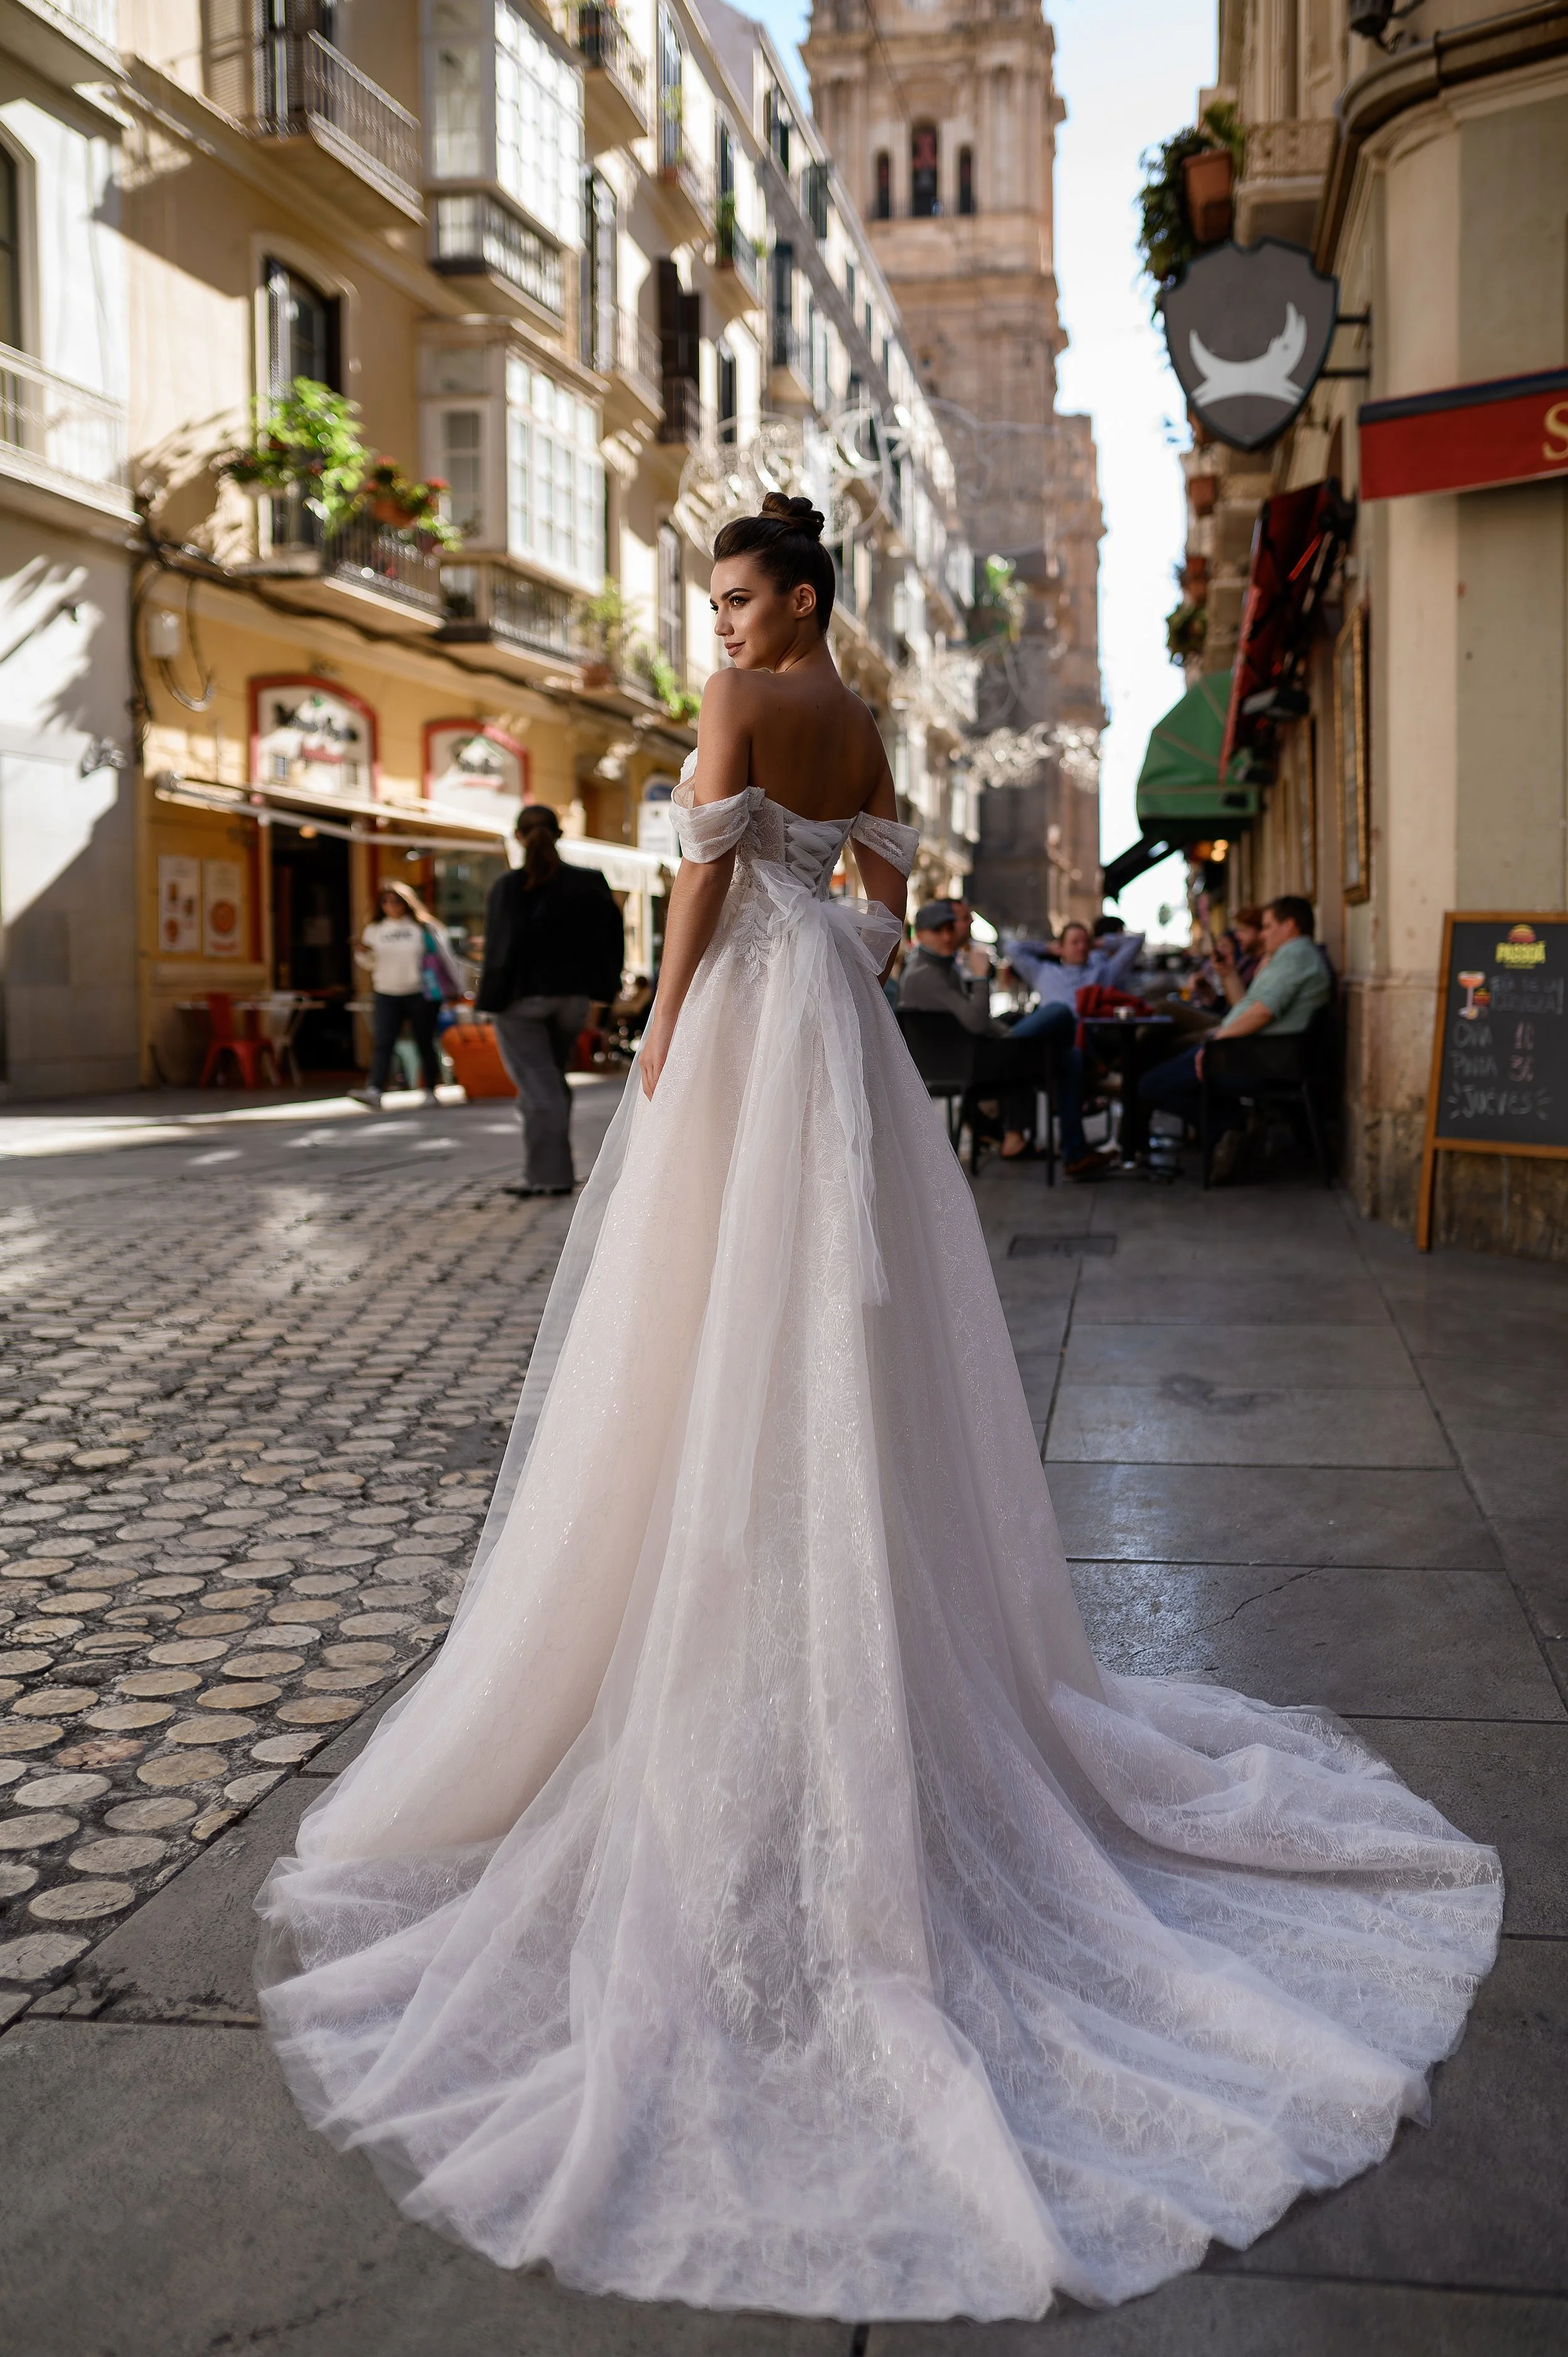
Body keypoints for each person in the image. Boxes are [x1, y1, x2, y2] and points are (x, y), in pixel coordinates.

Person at [258, 501, 1499, 2323]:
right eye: (720, 602)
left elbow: (695, 883)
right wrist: (813, 932)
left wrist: (665, 1031)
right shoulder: (855, 721)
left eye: (742, 594)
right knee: (843, 1322)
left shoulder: (743, 701)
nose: (724, 621)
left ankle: (731, 1581)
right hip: (828, 1030)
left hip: (749, 1029)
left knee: (710, 1306)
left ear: (800, 596)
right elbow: (887, 894)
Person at [475, 804, 626, 1198]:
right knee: (549, 1083)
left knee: (540, 1087)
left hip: (522, 1001)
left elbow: (499, 951)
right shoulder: (590, 882)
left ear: (519, 836)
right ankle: (542, 1170)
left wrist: (488, 1000)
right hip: (573, 1000)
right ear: (558, 835)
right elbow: (611, 942)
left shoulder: (509, 887)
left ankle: (550, 1177)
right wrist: (604, 997)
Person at [901, 904, 1111, 1178]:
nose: (946, 937)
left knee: (1068, 1057)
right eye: (937, 932)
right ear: (921, 936)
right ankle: (1087, 1077)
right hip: (968, 1064)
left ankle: (1076, 1153)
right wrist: (980, 977)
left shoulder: (940, 968)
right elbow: (976, 1021)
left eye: (949, 929)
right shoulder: (926, 974)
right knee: (1059, 1012)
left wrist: (1008, 1034)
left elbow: (978, 1022)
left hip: (971, 1055)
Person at [1138, 893, 1332, 1184]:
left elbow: (1263, 1012)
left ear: (1289, 926)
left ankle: (1228, 1126)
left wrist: (1216, 1042)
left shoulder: (1296, 957)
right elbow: (1253, 1006)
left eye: (1267, 927)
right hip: (1256, 1053)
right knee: (1162, 1066)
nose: (1264, 934)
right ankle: (1230, 1126)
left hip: (1257, 1060)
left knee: (1151, 1084)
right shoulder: (1292, 957)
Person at [350, 880, 462, 1109]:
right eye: (386, 901)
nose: (391, 906)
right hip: (386, 992)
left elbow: (445, 959)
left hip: (420, 993)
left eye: (396, 901)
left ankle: (431, 1088)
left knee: (424, 1041)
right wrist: (363, 953)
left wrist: (455, 989)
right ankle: (375, 1089)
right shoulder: (374, 930)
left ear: (407, 903)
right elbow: (370, 964)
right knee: (384, 1042)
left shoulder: (422, 928)